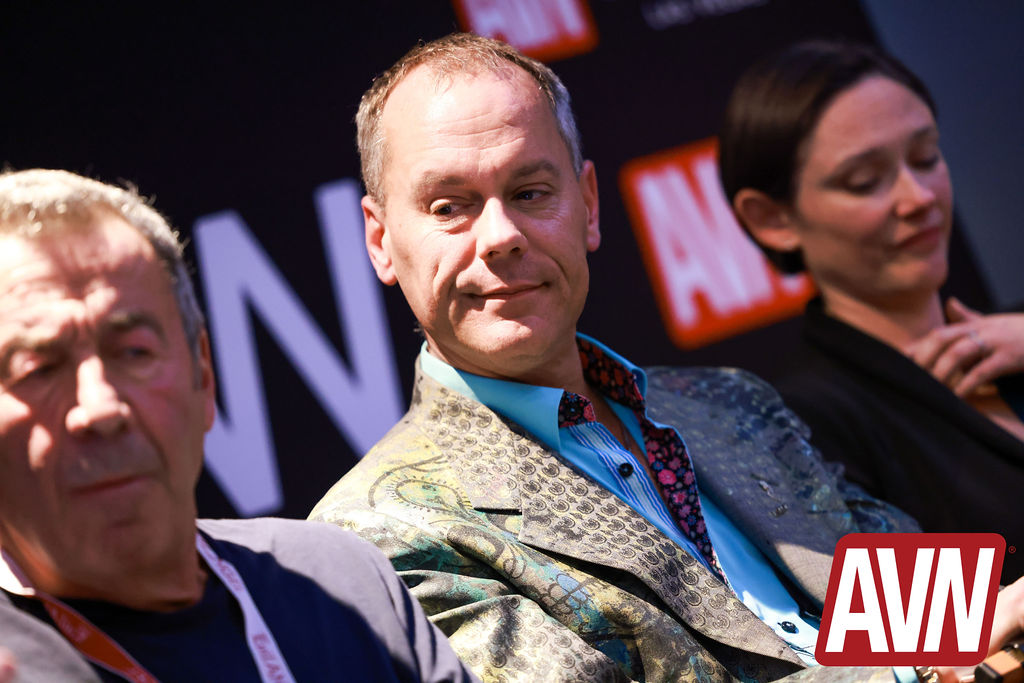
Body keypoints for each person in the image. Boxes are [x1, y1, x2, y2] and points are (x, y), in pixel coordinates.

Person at [308, 32, 1001, 682]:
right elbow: (940, 649)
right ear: (380, 240)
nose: (500, 236)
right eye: (448, 207)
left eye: (529, 193)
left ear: (588, 205)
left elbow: (934, 616)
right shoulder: (383, 533)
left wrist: (990, 621)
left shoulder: (728, 401)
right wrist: (923, 663)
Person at [0, 169, 477, 682]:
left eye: (134, 352)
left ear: (203, 373)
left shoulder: (344, 582)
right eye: (37, 368)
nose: (100, 407)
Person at [719, 40, 1024, 583]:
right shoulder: (799, 430)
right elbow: (900, 621)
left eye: (926, 158)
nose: (919, 197)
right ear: (772, 219)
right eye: (864, 181)